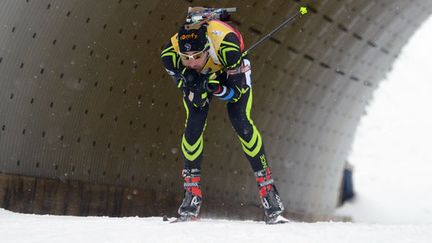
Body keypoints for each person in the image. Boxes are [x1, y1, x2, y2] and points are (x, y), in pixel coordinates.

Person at [160, 16, 287, 224]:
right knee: (193, 126)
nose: (192, 62)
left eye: (197, 56)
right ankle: (192, 194)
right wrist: (191, 81)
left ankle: (268, 191)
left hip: (229, 71)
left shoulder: (228, 46)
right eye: (186, 58)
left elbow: (236, 94)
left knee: (241, 122)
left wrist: (216, 88)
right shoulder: (169, 54)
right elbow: (183, 81)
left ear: (207, 49)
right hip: (204, 77)